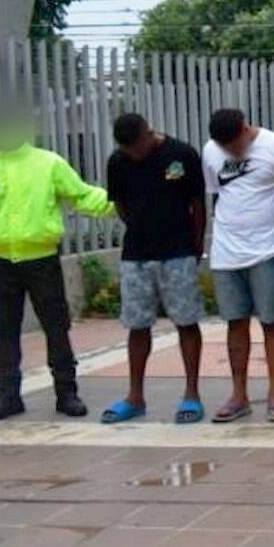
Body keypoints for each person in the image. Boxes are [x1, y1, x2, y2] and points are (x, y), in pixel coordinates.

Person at [0, 108, 114, 420]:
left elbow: (82, 195)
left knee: (56, 326)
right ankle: (7, 396)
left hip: (42, 259)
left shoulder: (49, 163)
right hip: (1, 261)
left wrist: (120, 202)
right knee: (2, 329)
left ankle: (67, 393)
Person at [101, 113, 207, 425]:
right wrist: (140, 226)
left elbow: (197, 204)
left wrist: (195, 245)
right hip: (136, 254)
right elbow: (119, 205)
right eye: (128, 150)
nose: (134, 155)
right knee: (137, 325)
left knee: (186, 322)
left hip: (178, 252)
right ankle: (135, 397)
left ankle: (192, 394)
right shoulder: (117, 162)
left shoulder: (182, 154)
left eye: (138, 148)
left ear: (149, 134)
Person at [201, 108, 274, 423]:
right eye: (224, 147)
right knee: (235, 324)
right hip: (226, 252)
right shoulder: (211, 151)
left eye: (235, 145)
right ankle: (239, 394)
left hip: (267, 251)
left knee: (271, 322)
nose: (230, 150)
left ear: (246, 129)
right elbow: (216, 195)